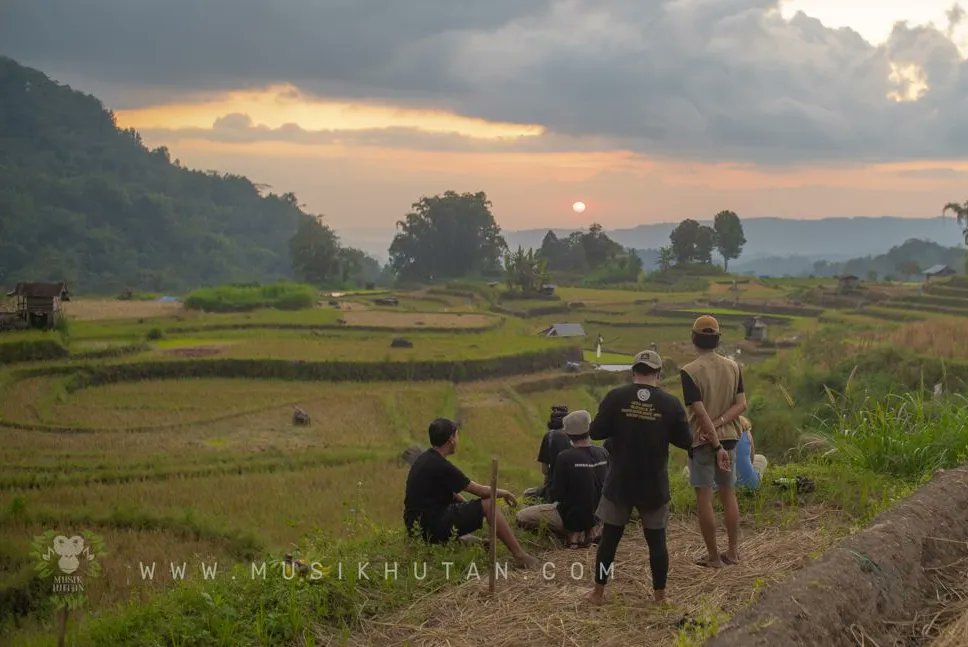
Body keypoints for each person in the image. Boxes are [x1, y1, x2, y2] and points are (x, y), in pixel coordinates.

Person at [586, 350, 692, 605]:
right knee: (656, 542)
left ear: (633, 371)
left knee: (609, 541)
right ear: (658, 373)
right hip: (653, 484)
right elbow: (686, 441)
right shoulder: (670, 404)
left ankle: (598, 593)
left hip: (619, 481)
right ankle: (660, 598)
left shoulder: (616, 397)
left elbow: (596, 431)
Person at [404, 418, 540, 568]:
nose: (457, 439)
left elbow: (452, 493)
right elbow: (480, 491)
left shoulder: (425, 459)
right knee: (489, 505)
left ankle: (480, 544)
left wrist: (469, 510)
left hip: (415, 525)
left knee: (461, 513)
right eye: (457, 435)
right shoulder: (442, 466)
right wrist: (505, 493)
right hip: (431, 526)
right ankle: (520, 555)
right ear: (451, 439)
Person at [681, 315, 747, 568]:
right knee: (728, 493)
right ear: (717, 339)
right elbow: (741, 405)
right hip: (730, 438)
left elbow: (698, 410)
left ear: (694, 338)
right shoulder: (734, 367)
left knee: (704, 496)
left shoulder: (689, 371)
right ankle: (732, 553)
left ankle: (712, 557)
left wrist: (711, 435)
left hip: (702, 440)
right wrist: (720, 427)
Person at [516, 410, 609, 547]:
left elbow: (556, 494)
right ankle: (592, 530)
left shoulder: (565, 457)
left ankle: (572, 535)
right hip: (598, 515)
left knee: (522, 516)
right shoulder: (602, 453)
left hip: (571, 517)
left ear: (568, 434)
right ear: (589, 429)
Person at [523, 405, 572, 502]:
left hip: (555, 487)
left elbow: (544, 470)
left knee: (527, 494)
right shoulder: (574, 435)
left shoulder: (549, 436)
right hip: (574, 486)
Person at [735, 415, 768, 489]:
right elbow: (751, 458)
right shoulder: (747, 433)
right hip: (751, 484)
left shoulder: (721, 434)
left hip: (724, 486)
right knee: (761, 459)